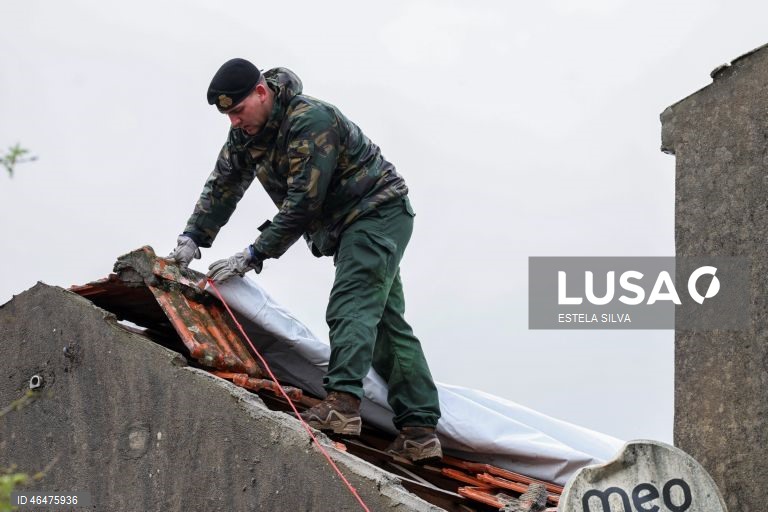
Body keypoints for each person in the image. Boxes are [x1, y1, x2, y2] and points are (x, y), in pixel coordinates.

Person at [167, 58, 442, 463]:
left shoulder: (310, 120)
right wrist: (193, 237)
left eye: (238, 110)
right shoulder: (247, 134)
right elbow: (224, 183)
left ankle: (342, 406)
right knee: (384, 323)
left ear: (262, 92)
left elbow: (303, 203)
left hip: (376, 212)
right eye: (228, 115)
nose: (234, 122)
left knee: (351, 305)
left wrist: (253, 254)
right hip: (349, 226)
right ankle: (419, 431)